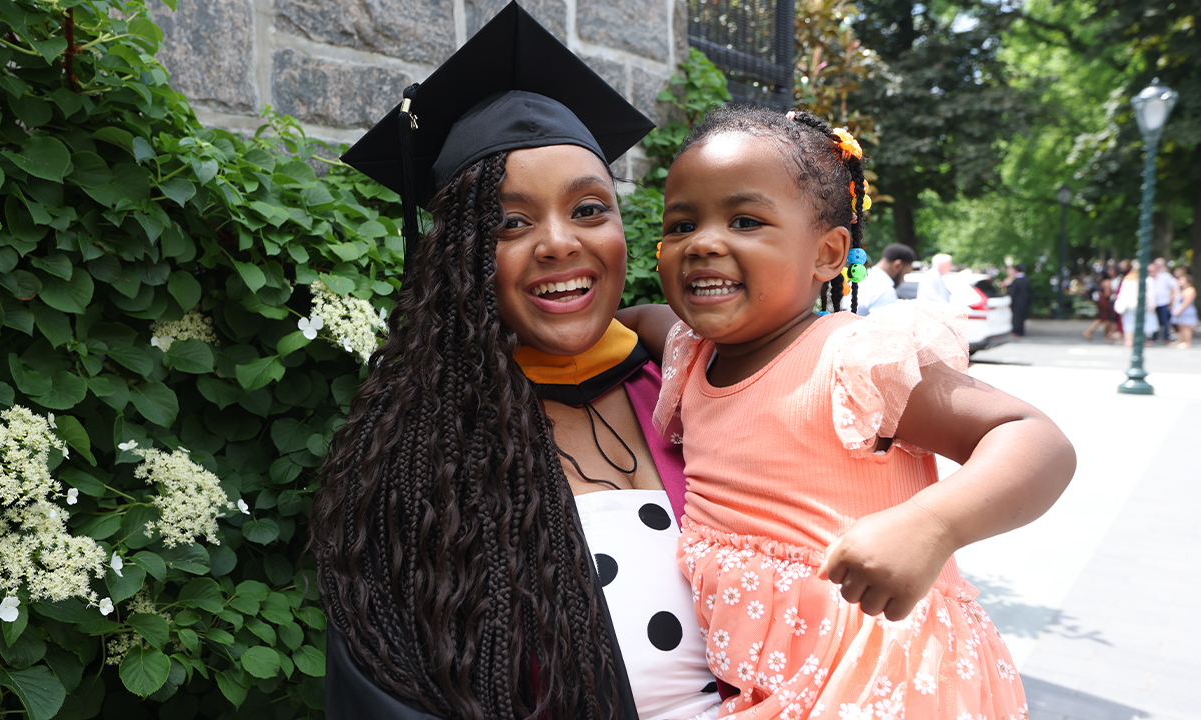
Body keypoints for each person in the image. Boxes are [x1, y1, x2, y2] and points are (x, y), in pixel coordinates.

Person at [311, 6, 720, 719]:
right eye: (509, 221)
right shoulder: (421, 459)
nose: (560, 243)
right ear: (458, 257)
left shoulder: (696, 392)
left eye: (590, 209)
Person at [636, 104, 1075, 718]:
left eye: (744, 219)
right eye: (681, 225)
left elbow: (1034, 438)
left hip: (881, 675)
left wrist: (931, 526)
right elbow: (604, 323)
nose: (704, 242)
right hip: (763, 679)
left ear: (828, 253)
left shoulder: (853, 361)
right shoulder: (688, 348)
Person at [854, 243, 915, 316]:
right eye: (905, 274)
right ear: (897, 265)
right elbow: (883, 326)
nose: (903, 280)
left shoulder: (859, 278)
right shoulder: (885, 291)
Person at [1114, 261, 1158, 347]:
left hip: (1129, 305)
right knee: (1143, 323)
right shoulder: (1148, 279)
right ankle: (1142, 341)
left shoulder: (1127, 279)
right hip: (1142, 305)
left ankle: (1128, 341)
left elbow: (1122, 293)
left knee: (1129, 323)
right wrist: (1152, 305)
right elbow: (1150, 294)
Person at [1084, 266, 1119, 342]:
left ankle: (1108, 334)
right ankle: (1107, 334)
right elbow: (1107, 294)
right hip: (1105, 301)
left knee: (1104, 318)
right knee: (1105, 318)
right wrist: (1115, 292)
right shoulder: (1107, 282)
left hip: (1102, 300)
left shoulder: (1103, 281)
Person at [1149, 259, 1178, 343]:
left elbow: (1173, 287)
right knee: (1154, 320)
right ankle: (1154, 336)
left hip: (1164, 302)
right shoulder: (1150, 277)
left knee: (1164, 320)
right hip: (1154, 303)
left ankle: (1167, 337)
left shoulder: (1166, 276)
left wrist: (1172, 300)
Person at [1007, 263, 1034, 337]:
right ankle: (1021, 330)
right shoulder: (1027, 280)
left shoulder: (1016, 281)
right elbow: (1030, 292)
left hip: (1017, 302)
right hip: (1025, 301)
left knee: (1016, 317)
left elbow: (1013, 292)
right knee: (1022, 317)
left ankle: (1017, 331)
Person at [1172, 274, 1196, 348]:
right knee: (1181, 327)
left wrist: (1179, 310)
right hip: (1181, 309)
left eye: (1182, 280)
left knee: (1186, 327)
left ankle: (1188, 343)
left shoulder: (1190, 290)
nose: (1180, 281)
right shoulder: (1183, 289)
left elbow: (1186, 302)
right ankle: (1181, 341)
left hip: (1186, 310)